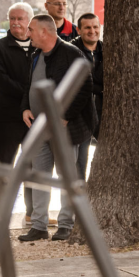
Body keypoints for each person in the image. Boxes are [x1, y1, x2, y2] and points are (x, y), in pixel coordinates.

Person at [17, 15, 93, 242]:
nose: (28, 34)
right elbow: (29, 86)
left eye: (31, 30)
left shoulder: (71, 53)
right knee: (39, 176)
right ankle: (38, 226)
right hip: (38, 128)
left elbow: (84, 87)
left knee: (66, 177)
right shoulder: (35, 55)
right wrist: (25, 108)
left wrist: (66, 116)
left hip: (65, 131)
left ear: (44, 31)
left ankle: (65, 225)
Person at [0, 3, 34, 172]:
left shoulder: (38, 47)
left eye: (20, 18)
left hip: (33, 118)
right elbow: (0, 79)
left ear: (29, 21)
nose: (15, 22)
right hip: (8, 118)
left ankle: (30, 193)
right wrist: (29, 94)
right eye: (12, 18)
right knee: (5, 168)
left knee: (31, 169)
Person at [70, 13, 103, 181]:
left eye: (95, 27)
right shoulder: (70, 52)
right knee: (78, 167)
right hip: (79, 117)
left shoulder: (107, 51)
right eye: (87, 27)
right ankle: (77, 198)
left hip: (103, 116)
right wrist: (100, 88)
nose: (92, 31)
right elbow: (76, 84)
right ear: (78, 30)